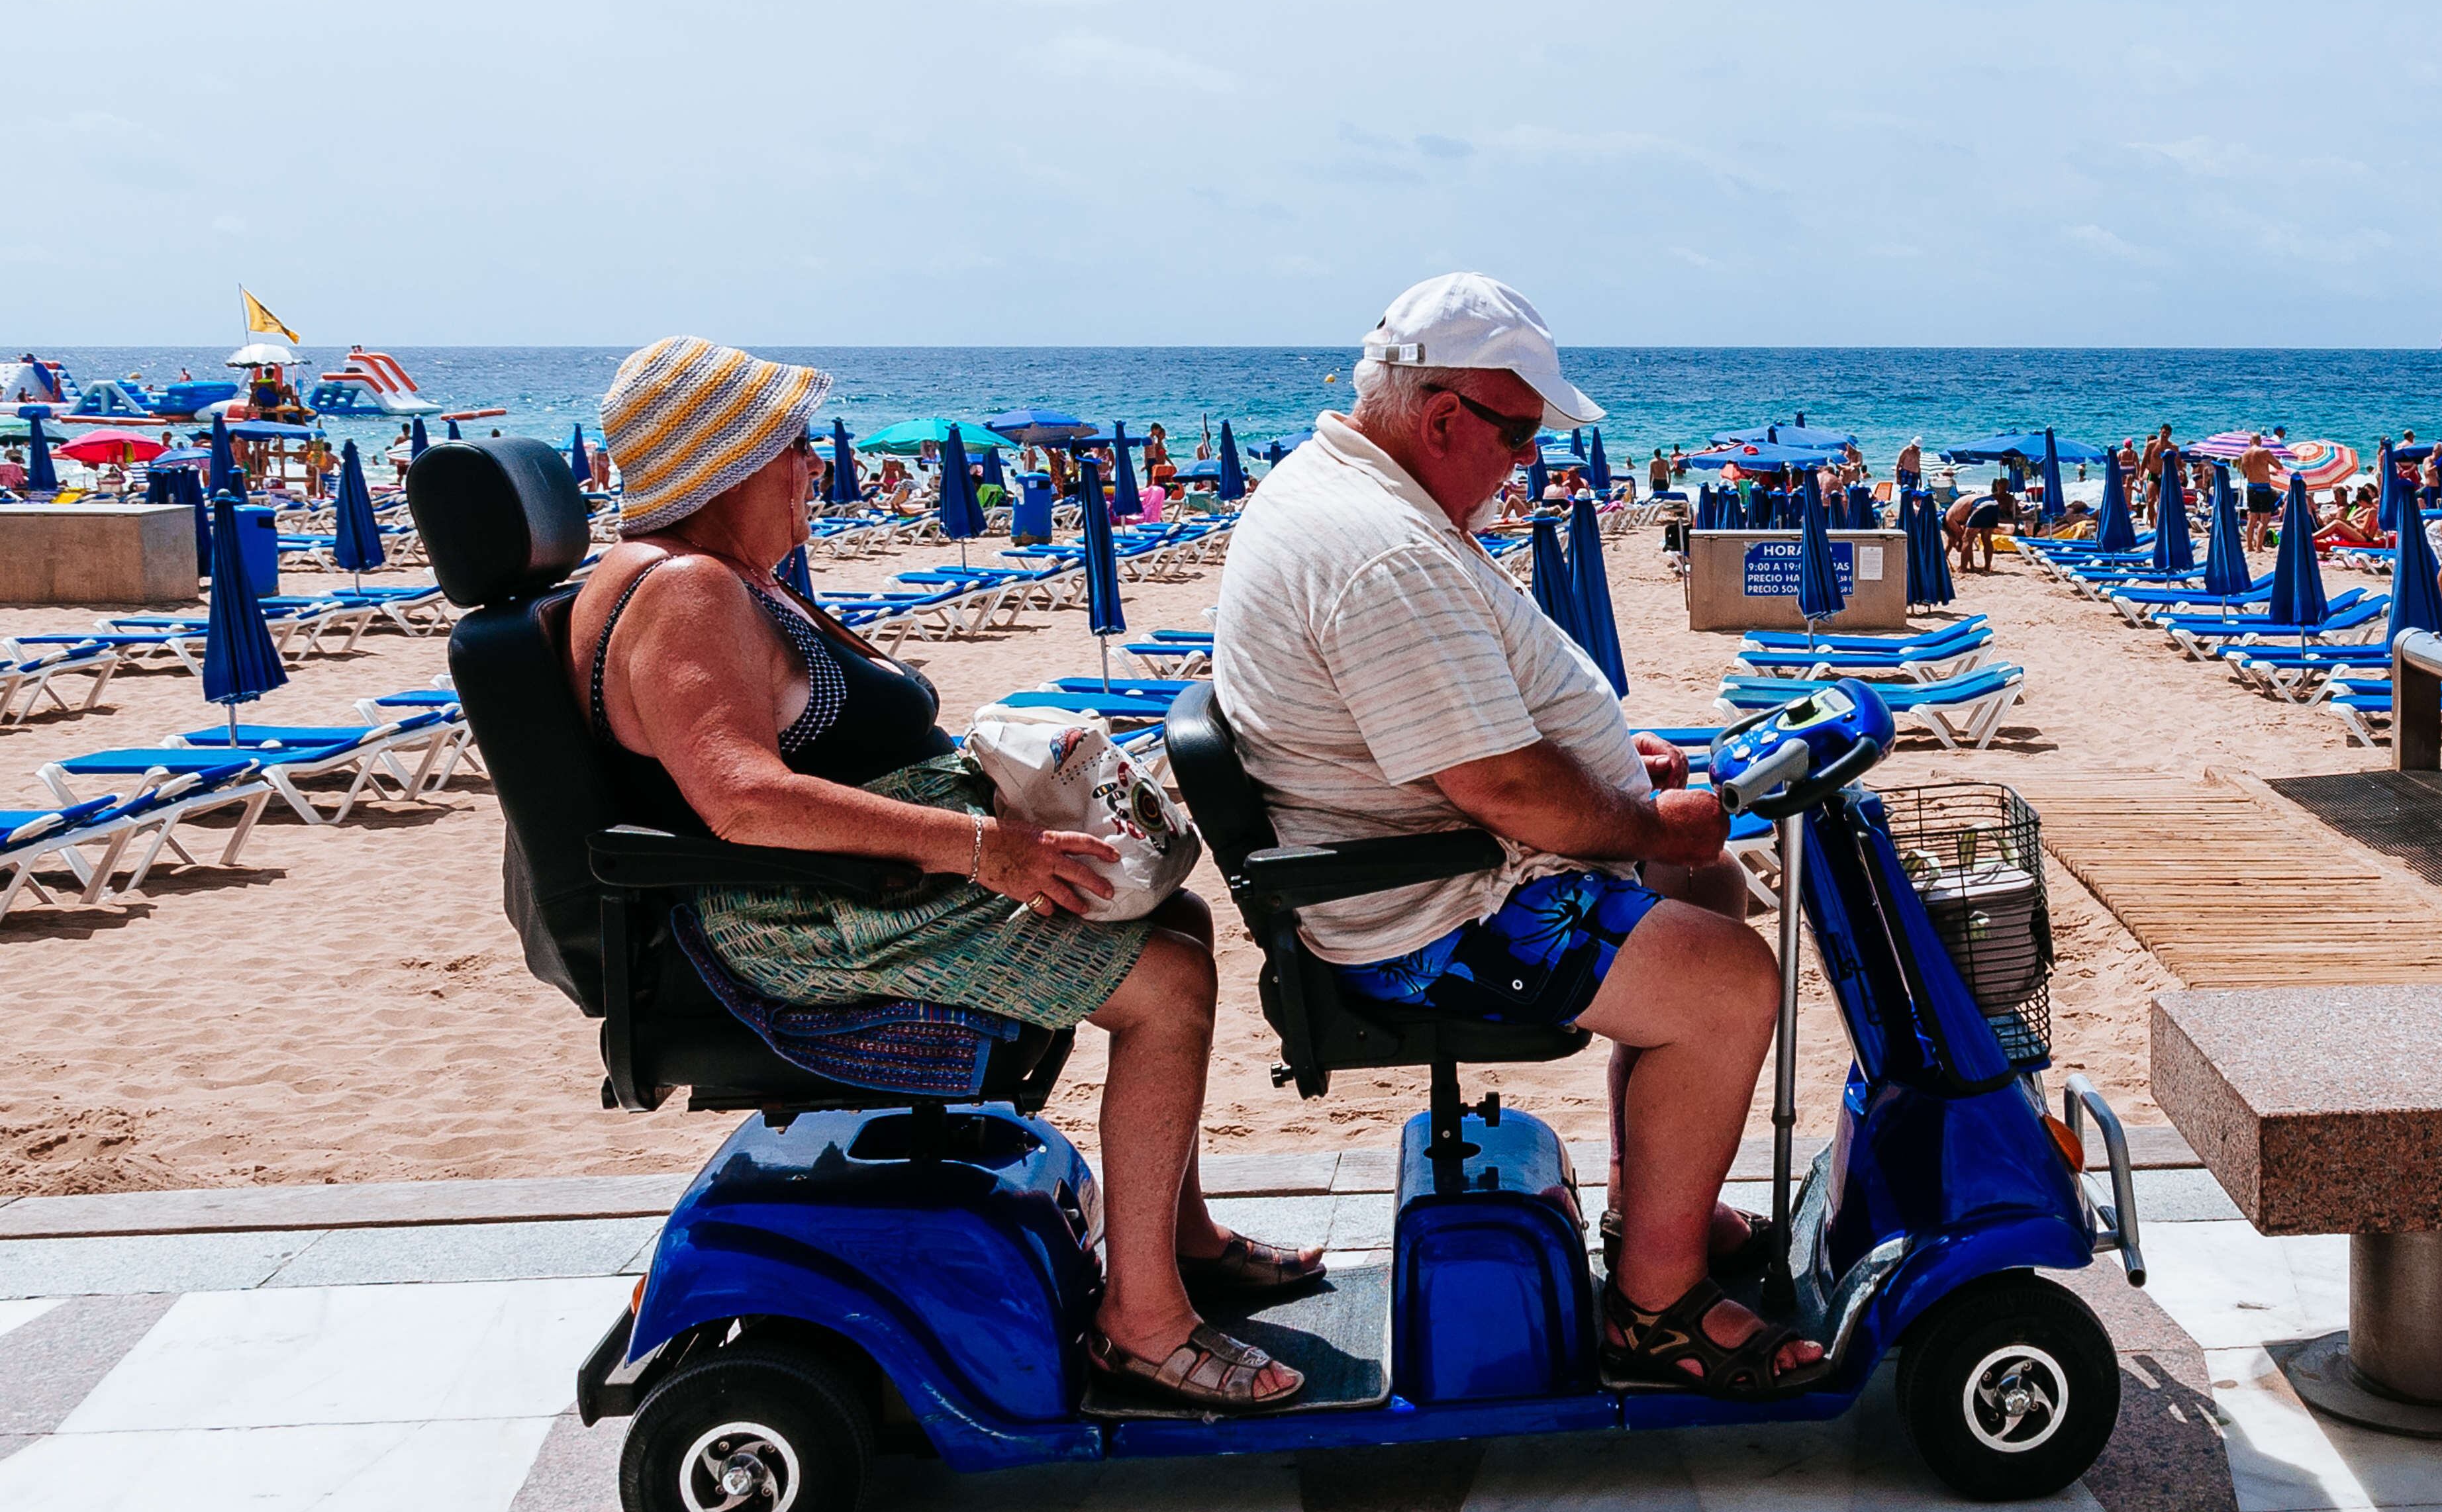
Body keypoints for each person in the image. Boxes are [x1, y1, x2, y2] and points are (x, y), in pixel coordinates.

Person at [576, 337, 1298, 1411]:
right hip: (817, 919)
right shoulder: (686, 591)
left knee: (1177, 918)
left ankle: (1177, 1240)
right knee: (1167, 981)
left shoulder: (709, 577)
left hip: (857, 890)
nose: (813, 469)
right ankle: (1142, 1325)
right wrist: (983, 849)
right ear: (723, 461)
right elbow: (742, 797)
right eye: (794, 450)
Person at [1211, 274, 1825, 1399]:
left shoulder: (1362, 495)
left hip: (1433, 862)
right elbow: (1499, 784)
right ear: (1443, 417)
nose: (1528, 465)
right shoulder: (1378, 548)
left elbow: (1458, 730)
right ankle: (1653, 1312)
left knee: (1708, 886)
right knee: (1730, 981)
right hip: (1427, 913)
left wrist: (1602, 766)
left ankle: (1659, 1211)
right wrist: (1635, 814)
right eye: (1520, 436)